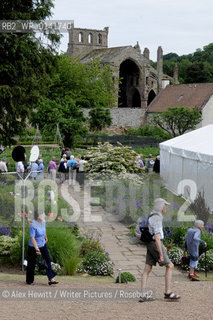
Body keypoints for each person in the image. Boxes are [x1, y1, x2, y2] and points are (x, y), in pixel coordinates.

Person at [141, 198, 181, 302]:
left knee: (147, 269)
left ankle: (143, 294)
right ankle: (168, 293)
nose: (166, 207)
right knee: (170, 265)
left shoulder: (152, 215)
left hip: (150, 244)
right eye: (165, 205)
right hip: (155, 244)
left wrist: (162, 247)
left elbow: (153, 235)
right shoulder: (157, 218)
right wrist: (161, 253)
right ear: (161, 206)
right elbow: (157, 237)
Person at [26, 210, 58, 285]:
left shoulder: (43, 222)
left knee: (48, 260)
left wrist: (45, 237)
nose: (44, 215)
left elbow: (43, 230)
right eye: (43, 214)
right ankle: (29, 280)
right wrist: (36, 248)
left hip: (43, 245)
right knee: (31, 264)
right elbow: (32, 238)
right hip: (33, 247)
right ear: (38, 216)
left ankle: (51, 279)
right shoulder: (33, 225)